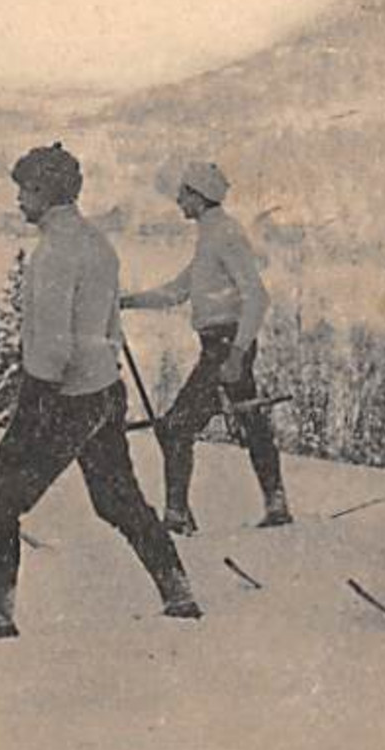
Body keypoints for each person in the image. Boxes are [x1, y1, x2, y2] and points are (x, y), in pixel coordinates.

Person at [0, 143, 201, 642]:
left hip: (61, 398)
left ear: (45, 191)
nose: (18, 200)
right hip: (103, 391)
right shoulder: (98, 243)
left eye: (24, 190)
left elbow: (53, 346)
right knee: (117, 501)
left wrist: (30, 415)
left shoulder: (55, 253)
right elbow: (109, 326)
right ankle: (178, 591)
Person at [120, 161, 290, 534]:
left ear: (199, 196)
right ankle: (276, 503)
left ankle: (177, 517)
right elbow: (177, 292)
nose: (178, 199)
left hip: (225, 347)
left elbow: (257, 298)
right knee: (250, 420)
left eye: (184, 193)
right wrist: (126, 301)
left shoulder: (225, 235)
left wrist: (236, 353)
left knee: (176, 427)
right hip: (221, 345)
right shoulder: (211, 237)